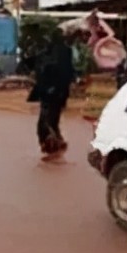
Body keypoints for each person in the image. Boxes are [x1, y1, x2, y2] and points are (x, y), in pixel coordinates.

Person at [28, 27, 79, 161]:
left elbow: (41, 71)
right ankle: (56, 145)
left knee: (45, 121)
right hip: (60, 91)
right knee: (53, 118)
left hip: (49, 91)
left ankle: (53, 146)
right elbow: (68, 72)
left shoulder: (47, 53)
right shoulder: (66, 51)